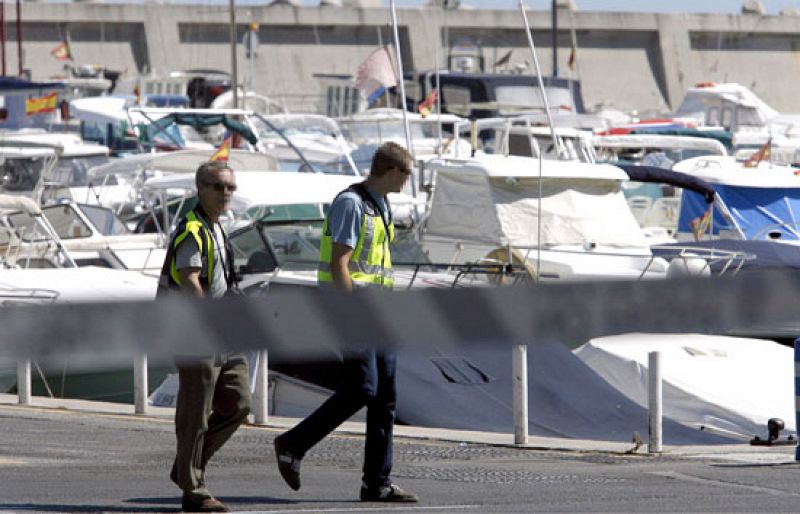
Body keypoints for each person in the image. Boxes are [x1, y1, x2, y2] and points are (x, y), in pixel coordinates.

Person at [273, 141, 418, 503]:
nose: (408, 181)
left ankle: (377, 484)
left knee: (385, 398)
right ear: (392, 171)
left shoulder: (380, 204)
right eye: (408, 173)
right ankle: (292, 444)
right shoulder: (351, 204)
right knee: (363, 388)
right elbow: (340, 263)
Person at [158, 160, 251, 513]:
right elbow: (190, 278)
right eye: (218, 187)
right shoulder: (193, 228)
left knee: (239, 402)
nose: (225, 193)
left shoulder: (215, 227)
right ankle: (193, 488)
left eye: (230, 187)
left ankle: (185, 469)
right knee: (195, 413)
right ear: (200, 190)